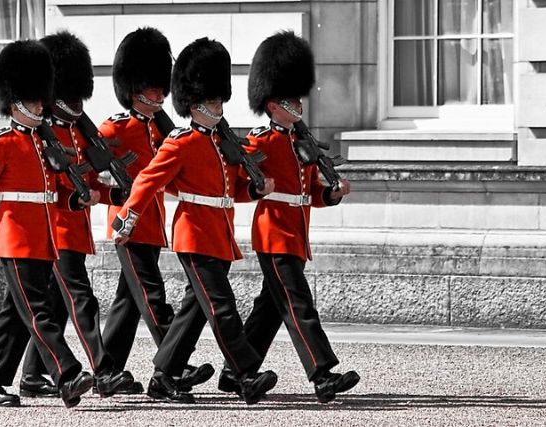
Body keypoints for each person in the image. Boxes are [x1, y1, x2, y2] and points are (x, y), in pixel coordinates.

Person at [111, 37, 277, 405]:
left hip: (218, 232)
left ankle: (164, 375)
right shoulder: (180, 142)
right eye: (212, 101)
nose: (218, 107)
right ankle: (246, 374)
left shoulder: (219, 143)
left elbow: (231, 190)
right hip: (194, 233)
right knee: (222, 306)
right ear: (194, 104)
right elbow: (148, 180)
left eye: (220, 100)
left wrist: (257, 190)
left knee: (197, 309)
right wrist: (128, 218)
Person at [216, 31, 360, 403]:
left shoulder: (302, 143)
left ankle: (235, 373)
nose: (298, 103)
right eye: (290, 98)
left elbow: (309, 192)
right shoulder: (258, 141)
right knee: (299, 303)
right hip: (274, 232)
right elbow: (234, 186)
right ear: (272, 103)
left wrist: (333, 193)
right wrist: (257, 189)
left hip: (296, 232)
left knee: (271, 307)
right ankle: (322, 373)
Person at [0, 39, 93, 408]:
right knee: (38, 311)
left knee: (16, 314)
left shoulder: (43, 142)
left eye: (39, 98)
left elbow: (55, 191)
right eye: (32, 100)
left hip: (44, 238)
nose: (38, 105)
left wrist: (76, 198)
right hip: (16, 240)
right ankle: (67, 372)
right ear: (14, 101)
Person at [18, 31, 134, 399]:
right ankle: (104, 369)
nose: (77, 101)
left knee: (54, 303)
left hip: (73, 228)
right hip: (54, 229)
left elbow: (86, 182)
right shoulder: (42, 134)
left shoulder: (77, 131)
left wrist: (113, 192)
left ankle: (32, 376)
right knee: (82, 298)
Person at [98, 27, 213, 394]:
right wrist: (109, 195)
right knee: (152, 295)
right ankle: (174, 366)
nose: (161, 93)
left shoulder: (161, 130)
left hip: (153, 225)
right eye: (153, 86)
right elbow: (85, 169)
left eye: (162, 85)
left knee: (128, 303)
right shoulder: (113, 130)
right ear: (134, 89)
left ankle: (108, 371)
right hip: (127, 227)